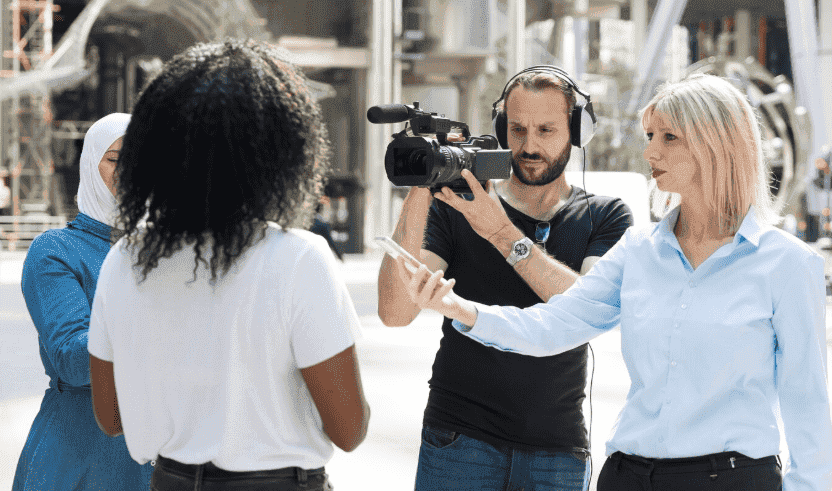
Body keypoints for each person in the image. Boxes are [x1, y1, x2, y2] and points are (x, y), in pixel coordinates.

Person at [398, 73, 832, 491]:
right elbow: (554, 325)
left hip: (735, 479)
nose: (650, 153)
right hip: (629, 475)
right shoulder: (638, 251)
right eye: (649, 137)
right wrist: (459, 309)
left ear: (715, 145)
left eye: (668, 137)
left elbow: (808, 409)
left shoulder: (787, 265)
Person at [86, 39, 370, 491]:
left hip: (169, 480)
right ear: (282, 153)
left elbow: (110, 417)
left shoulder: (124, 259)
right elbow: (349, 429)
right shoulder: (298, 258)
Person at [378, 65, 633, 490]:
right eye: (517, 129)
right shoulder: (457, 207)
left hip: (556, 449)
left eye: (547, 130)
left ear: (576, 130)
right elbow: (394, 312)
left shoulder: (605, 216)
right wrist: (424, 182)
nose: (529, 146)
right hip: (458, 439)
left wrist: (501, 233)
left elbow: (588, 308)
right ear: (501, 127)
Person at [13, 113, 153, 491]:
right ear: (91, 165)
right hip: (82, 452)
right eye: (115, 159)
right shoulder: (57, 251)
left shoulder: (170, 253)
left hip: (158, 451)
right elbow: (74, 360)